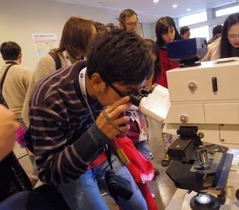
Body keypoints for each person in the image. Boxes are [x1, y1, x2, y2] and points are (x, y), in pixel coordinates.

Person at [25, 29, 154, 210]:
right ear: (97, 81)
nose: (131, 99)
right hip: (71, 171)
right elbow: (49, 172)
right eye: (128, 93)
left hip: (102, 154)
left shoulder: (107, 77)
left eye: (137, 92)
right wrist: (96, 135)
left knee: (139, 206)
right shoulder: (50, 97)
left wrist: (114, 130)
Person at [21, 16, 97, 188]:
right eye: (92, 36)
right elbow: (41, 100)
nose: (95, 40)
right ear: (79, 37)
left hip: (65, 128)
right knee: (43, 171)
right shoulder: (51, 60)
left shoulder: (81, 61)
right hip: (41, 128)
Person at [155, 16, 183, 167]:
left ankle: (183, 149)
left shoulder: (182, 46)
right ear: (160, 35)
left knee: (184, 121)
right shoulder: (157, 50)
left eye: (171, 30)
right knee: (165, 122)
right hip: (163, 90)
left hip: (181, 89)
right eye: (165, 33)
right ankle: (168, 150)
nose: (170, 35)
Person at [0, 41, 32, 122]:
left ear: (3, 57)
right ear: (20, 55)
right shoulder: (25, 72)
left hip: (6, 120)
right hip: (24, 119)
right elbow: (36, 94)